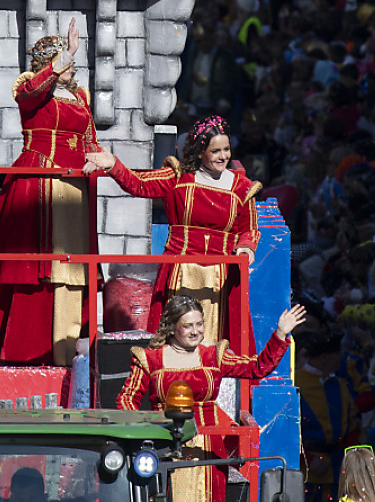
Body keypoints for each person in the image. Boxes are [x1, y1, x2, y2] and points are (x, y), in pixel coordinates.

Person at [0, 23, 101, 366]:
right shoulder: (30, 90)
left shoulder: (80, 97)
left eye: (71, 65)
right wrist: (65, 56)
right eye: (63, 63)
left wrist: (98, 160)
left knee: (74, 266)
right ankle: (30, 347)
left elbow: (90, 139)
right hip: (39, 180)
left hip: (75, 186)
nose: (70, 69)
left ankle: (70, 348)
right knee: (37, 268)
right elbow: (33, 90)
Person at [83, 114, 259, 346]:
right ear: (199, 152)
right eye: (215, 151)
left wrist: (246, 248)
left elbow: (250, 229)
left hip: (220, 275)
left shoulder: (242, 187)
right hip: (181, 270)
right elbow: (139, 183)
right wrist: (114, 164)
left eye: (226, 150)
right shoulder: (178, 177)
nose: (223, 156)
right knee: (175, 339)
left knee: (216, 340)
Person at [116, 295, 306, 502]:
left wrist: (280, 334)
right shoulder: (149, 359)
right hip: (165, 447)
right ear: (171, 327)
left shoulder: (213, 356)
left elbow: (257, 367)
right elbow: (127, 399)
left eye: (199, 324)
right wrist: (143, 435)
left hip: (208, 449)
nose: (195, 331)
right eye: (187, 326)